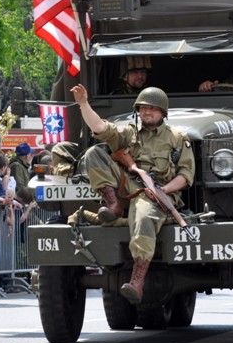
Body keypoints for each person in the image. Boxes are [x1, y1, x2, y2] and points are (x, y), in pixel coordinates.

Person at [73, 85, 195, 304]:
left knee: (143, 216)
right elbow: (100, 127)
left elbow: (186, 176)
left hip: (157, 193)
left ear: (162, 112)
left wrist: (162, 190)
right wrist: (83, 103)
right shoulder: (128, 133)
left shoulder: (177, 138)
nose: (146, 112)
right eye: (142, 108)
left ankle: (137, 281)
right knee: (94, 153)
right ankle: (114, 205)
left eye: (152, 108)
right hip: (127, 185)